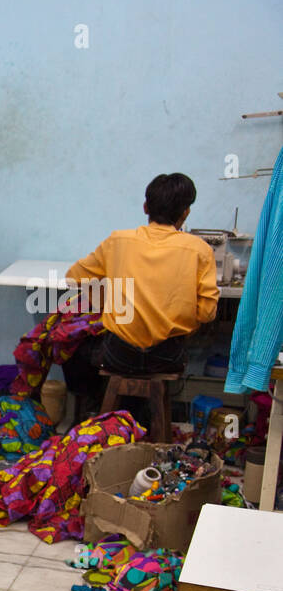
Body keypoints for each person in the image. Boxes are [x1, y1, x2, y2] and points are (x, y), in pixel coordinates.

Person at [62, 172, 219, 414]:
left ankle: (92, 415)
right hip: (168, 357)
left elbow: (74, 277)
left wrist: (106, 303)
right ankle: (141, 419)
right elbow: (207, 313)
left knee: (70, 343)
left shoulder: (118, 241)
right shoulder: (200, 250)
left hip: (119, 356)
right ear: (186, 212)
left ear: (145, 207)